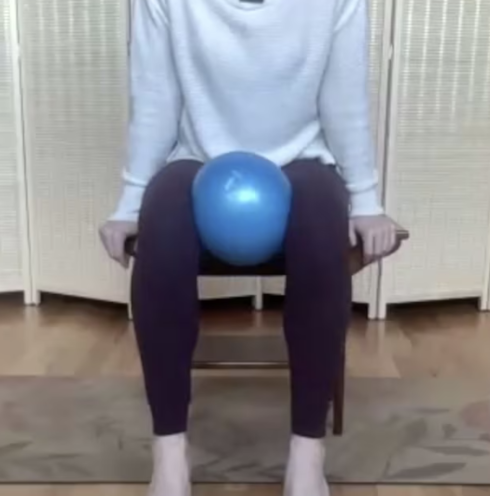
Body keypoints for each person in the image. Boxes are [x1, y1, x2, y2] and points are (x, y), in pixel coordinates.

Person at [99, 1, 401, 495]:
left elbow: (343, 98)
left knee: (323, 226)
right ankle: (169, 454)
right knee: (162, 227)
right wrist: (130, 205)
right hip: (198, 159)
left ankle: (308, 453)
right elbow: (155, 98)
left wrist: (366, 201)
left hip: (302, 160)